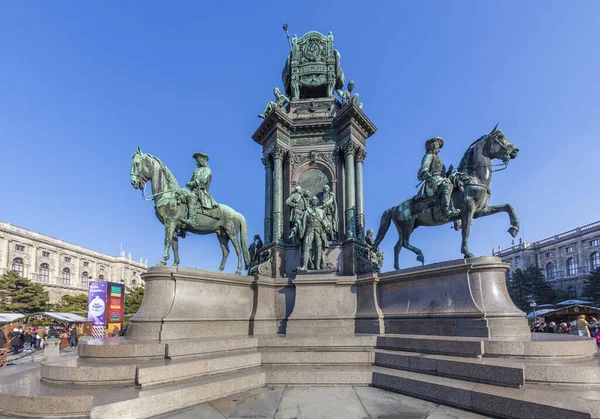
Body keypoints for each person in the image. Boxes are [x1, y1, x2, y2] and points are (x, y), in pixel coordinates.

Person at [416, 137, 460, 220]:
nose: (439, 149)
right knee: (447, 184)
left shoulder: (439, 160)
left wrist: (448, 172)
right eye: (437, 146)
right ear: (432, 146)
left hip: (440, 180)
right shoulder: (429, 156)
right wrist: (425, 173)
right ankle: (446, 210)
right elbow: (423, 169)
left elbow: (443, 175)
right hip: (432, 182)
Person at [181, 152, 219, 227]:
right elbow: (191, 180)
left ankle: (192, 220)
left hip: (201, 192)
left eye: (198, 160)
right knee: (181, 194)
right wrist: (188, 184)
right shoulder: (196, 171)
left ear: (203, 161)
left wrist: (191, 183)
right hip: (193, 190)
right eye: (197, 160)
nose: (197, 162)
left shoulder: (207, 170)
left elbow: (202, 181)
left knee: (191, 197)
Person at [297, 196, 331, 270]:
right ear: (311, 202)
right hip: (309, 230)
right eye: (313, 200)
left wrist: (328, 226)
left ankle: (317, 265)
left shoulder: (321, 211)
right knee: (306, 246)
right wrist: (297, 225)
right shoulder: (306, 211)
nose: (314, 201)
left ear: (317, 202)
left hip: (319, 230)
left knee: (319, 247)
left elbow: (326, 221)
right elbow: (301, 220)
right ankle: (305, 265)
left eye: (316, 200)